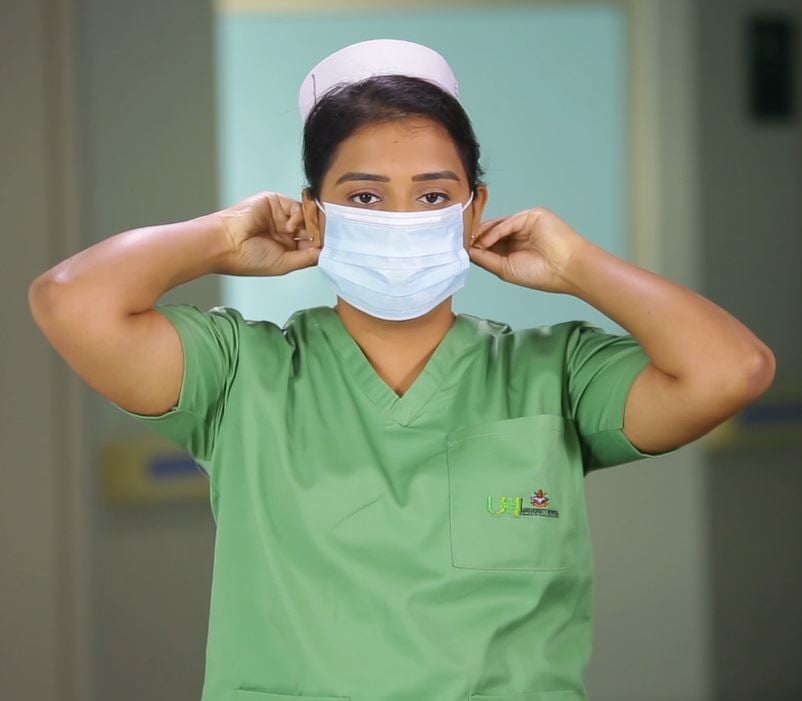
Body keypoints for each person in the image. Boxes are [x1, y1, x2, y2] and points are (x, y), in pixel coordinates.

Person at [29, 38, 775, 701]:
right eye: (364, 196)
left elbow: (733, 368)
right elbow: (69, 300)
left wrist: (578, 264)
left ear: (473, 211)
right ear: (314, 214)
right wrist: (223, 236)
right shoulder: (239, 374)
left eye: (433, 195)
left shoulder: (556, 375)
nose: (399, 219)